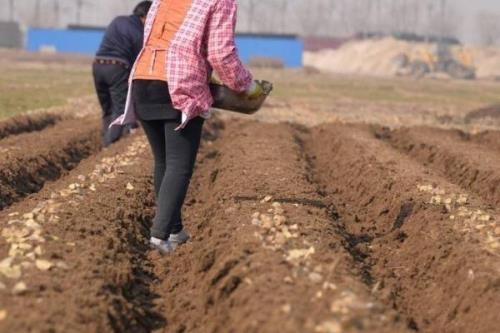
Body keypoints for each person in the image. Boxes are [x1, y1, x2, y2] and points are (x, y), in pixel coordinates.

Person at [112, 0, 265, 253]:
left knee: (164, 162)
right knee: (179, 165)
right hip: (178, 83)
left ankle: (175, 230)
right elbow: (220, 53)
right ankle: (159, 238)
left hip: (143, 80)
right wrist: (246, 85)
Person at [93, 1, 152, 147]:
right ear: (145, 16)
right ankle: (108, 144)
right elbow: (139, 61)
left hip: (97, 65)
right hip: (117, 68)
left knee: (107, 108)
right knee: (120, 110)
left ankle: (107, 136)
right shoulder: (140, 33)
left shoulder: (117, 20)